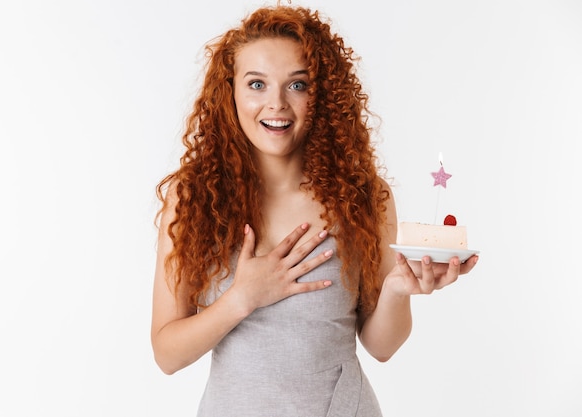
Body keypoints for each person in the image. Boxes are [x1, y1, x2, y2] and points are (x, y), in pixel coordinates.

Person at [151, 4, 479, 416]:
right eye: (256, 84)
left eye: (298, 85)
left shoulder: (362, 196)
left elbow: (382, 347)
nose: (276, 104)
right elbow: (167, 354)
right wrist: (243, 297)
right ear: (229, 90)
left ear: (322, 94)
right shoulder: (191, 196)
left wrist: (397, 289)